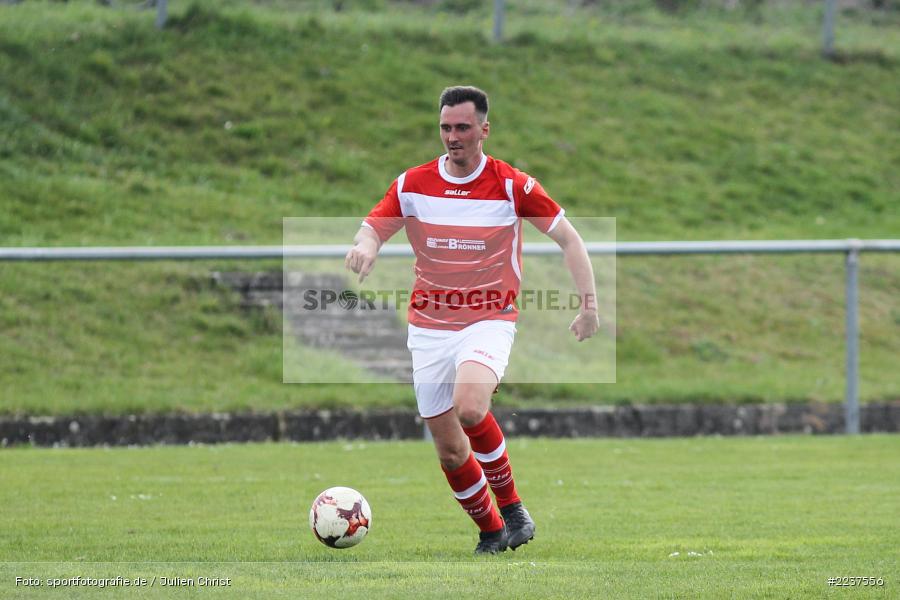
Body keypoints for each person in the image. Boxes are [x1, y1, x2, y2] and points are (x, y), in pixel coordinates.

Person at [345, 86, 600, 554]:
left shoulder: (511, 184)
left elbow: (571, 240)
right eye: (445, 128)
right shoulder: (413, 183)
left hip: (489, 318)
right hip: (428, 326)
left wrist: (590, 306)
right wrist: (365, 245)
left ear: (484, 129)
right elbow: (374, 224)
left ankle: (514, 508)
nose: (453, 137)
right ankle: (491, 531)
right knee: (449, 449)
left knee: (470, 407)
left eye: (463, 127)